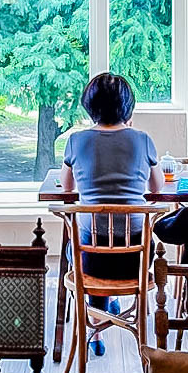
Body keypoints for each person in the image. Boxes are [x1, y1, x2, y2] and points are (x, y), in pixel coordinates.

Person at [61, 72, 163, 356]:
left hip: (90, 261)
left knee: (84, 243)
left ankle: (97, 318)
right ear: (128, 107)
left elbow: (67, 188)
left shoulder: (76, 141)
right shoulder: (142, 140)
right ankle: (113, 306)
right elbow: (156, 187)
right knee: (122, 239)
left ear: (90, 106)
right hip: (135, 261)